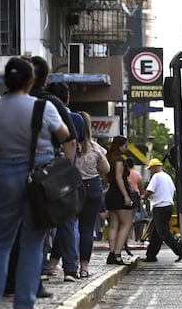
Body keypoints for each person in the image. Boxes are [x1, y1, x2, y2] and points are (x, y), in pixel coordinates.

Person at [0, 57, 75, 309]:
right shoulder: (43, 108)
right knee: (33, 242)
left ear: (5, 80)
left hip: (3, 176)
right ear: (32, 81)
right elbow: (67, 138)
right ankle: (24, 303)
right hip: (38, 180)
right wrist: (66, 170)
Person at [44, 81, 84, 282]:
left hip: (41, 171)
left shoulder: (38, 107)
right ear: (67, 98)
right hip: (64, 173)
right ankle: (70, 268)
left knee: (40, 221)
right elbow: (75, 142)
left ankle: (43, 266)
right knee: (68, 222)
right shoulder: (76, 119)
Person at [74, 111, 110, 278]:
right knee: (87, 229)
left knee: (67, 227)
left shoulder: (71, 147)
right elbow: (106, 170)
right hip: (93, 188)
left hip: (73, 188)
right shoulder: (97, 149)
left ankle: (62, 263)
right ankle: (84, 267)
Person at [141, 158, 182, 263]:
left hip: (160, 207)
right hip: (167, 206)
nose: (150, 171)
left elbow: (149, 191)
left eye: (151, 169)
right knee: (154, 233)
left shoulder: (156, 177)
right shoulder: (167, 177)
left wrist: (143, 197)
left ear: (154, 167)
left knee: (163, 232)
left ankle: (180, 251)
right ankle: (151, 255)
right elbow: (172, 190)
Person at [104, 135, 133, 265]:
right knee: (126, 224)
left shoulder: (109, 158)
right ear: (120, 146)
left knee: (114, 225)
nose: (126, 148)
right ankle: (117, 254)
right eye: (125, 146)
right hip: (120, 194)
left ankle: (111, 253)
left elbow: (106, 177)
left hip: (111, 194)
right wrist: (126, 195)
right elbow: (119, 177)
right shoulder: (120, 159)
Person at [125, 157, 146, 245]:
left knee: (125, 220)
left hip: (123, 198)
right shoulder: (137, 174)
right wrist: (143, 196)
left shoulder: (122, 174)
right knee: (136, 218)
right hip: (134, 198)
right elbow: (141, 188)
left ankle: (127, 238)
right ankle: (135, 238)